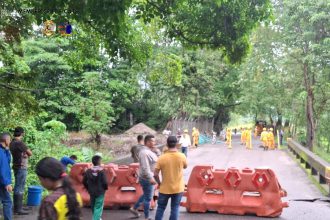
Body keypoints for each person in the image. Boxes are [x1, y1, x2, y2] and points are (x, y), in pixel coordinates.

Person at [154, 136, 187, 220]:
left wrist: (159, 183)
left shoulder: (161, 157)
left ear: (167, 144)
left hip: (164, 188)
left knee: (160, 208)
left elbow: (155, 174)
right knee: (175, 208)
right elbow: (185, 166)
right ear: (176, 144)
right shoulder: (182, 156)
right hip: (178, 188)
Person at [129, 135, 158, 220]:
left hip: (145, 177)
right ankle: (147, 217)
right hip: (147, 178)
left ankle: (134, 208)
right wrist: (151, 178)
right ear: (148, 142)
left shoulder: (148, 151)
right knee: (148, 198)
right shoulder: (144, 152)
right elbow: (145, 167)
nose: (154, 143)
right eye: (153, 141)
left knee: (146, 194)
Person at [10, 127, 32, 215]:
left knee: (18, 186)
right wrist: (26, 153)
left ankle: (18, 207)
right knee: (19, 187)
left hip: (16, 166)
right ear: (22, 133)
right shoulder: (20, 143)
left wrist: (24, 153)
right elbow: (30, 153)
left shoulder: (12, 142)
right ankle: (18, 209)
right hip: (21, 167)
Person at [83, 155, 108, 220]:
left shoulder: (88, 171)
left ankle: (97, 218)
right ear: (99, 162)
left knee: (93, 206)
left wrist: (87, 188)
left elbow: (84, 181)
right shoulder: (101, 171)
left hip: (91, 191)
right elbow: (105, 182)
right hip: (100, 191)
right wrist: (105, 188)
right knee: (98, 207)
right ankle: (96, 218)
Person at [0, 133, 13, 220]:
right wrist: (7, 183)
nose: (11, 142)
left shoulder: (3, 150)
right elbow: (3, 168)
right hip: (2, 181)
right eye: (10, 140)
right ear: (6, 140)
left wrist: (7, 150)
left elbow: (8, 161)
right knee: (7, 201)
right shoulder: (0, 152)